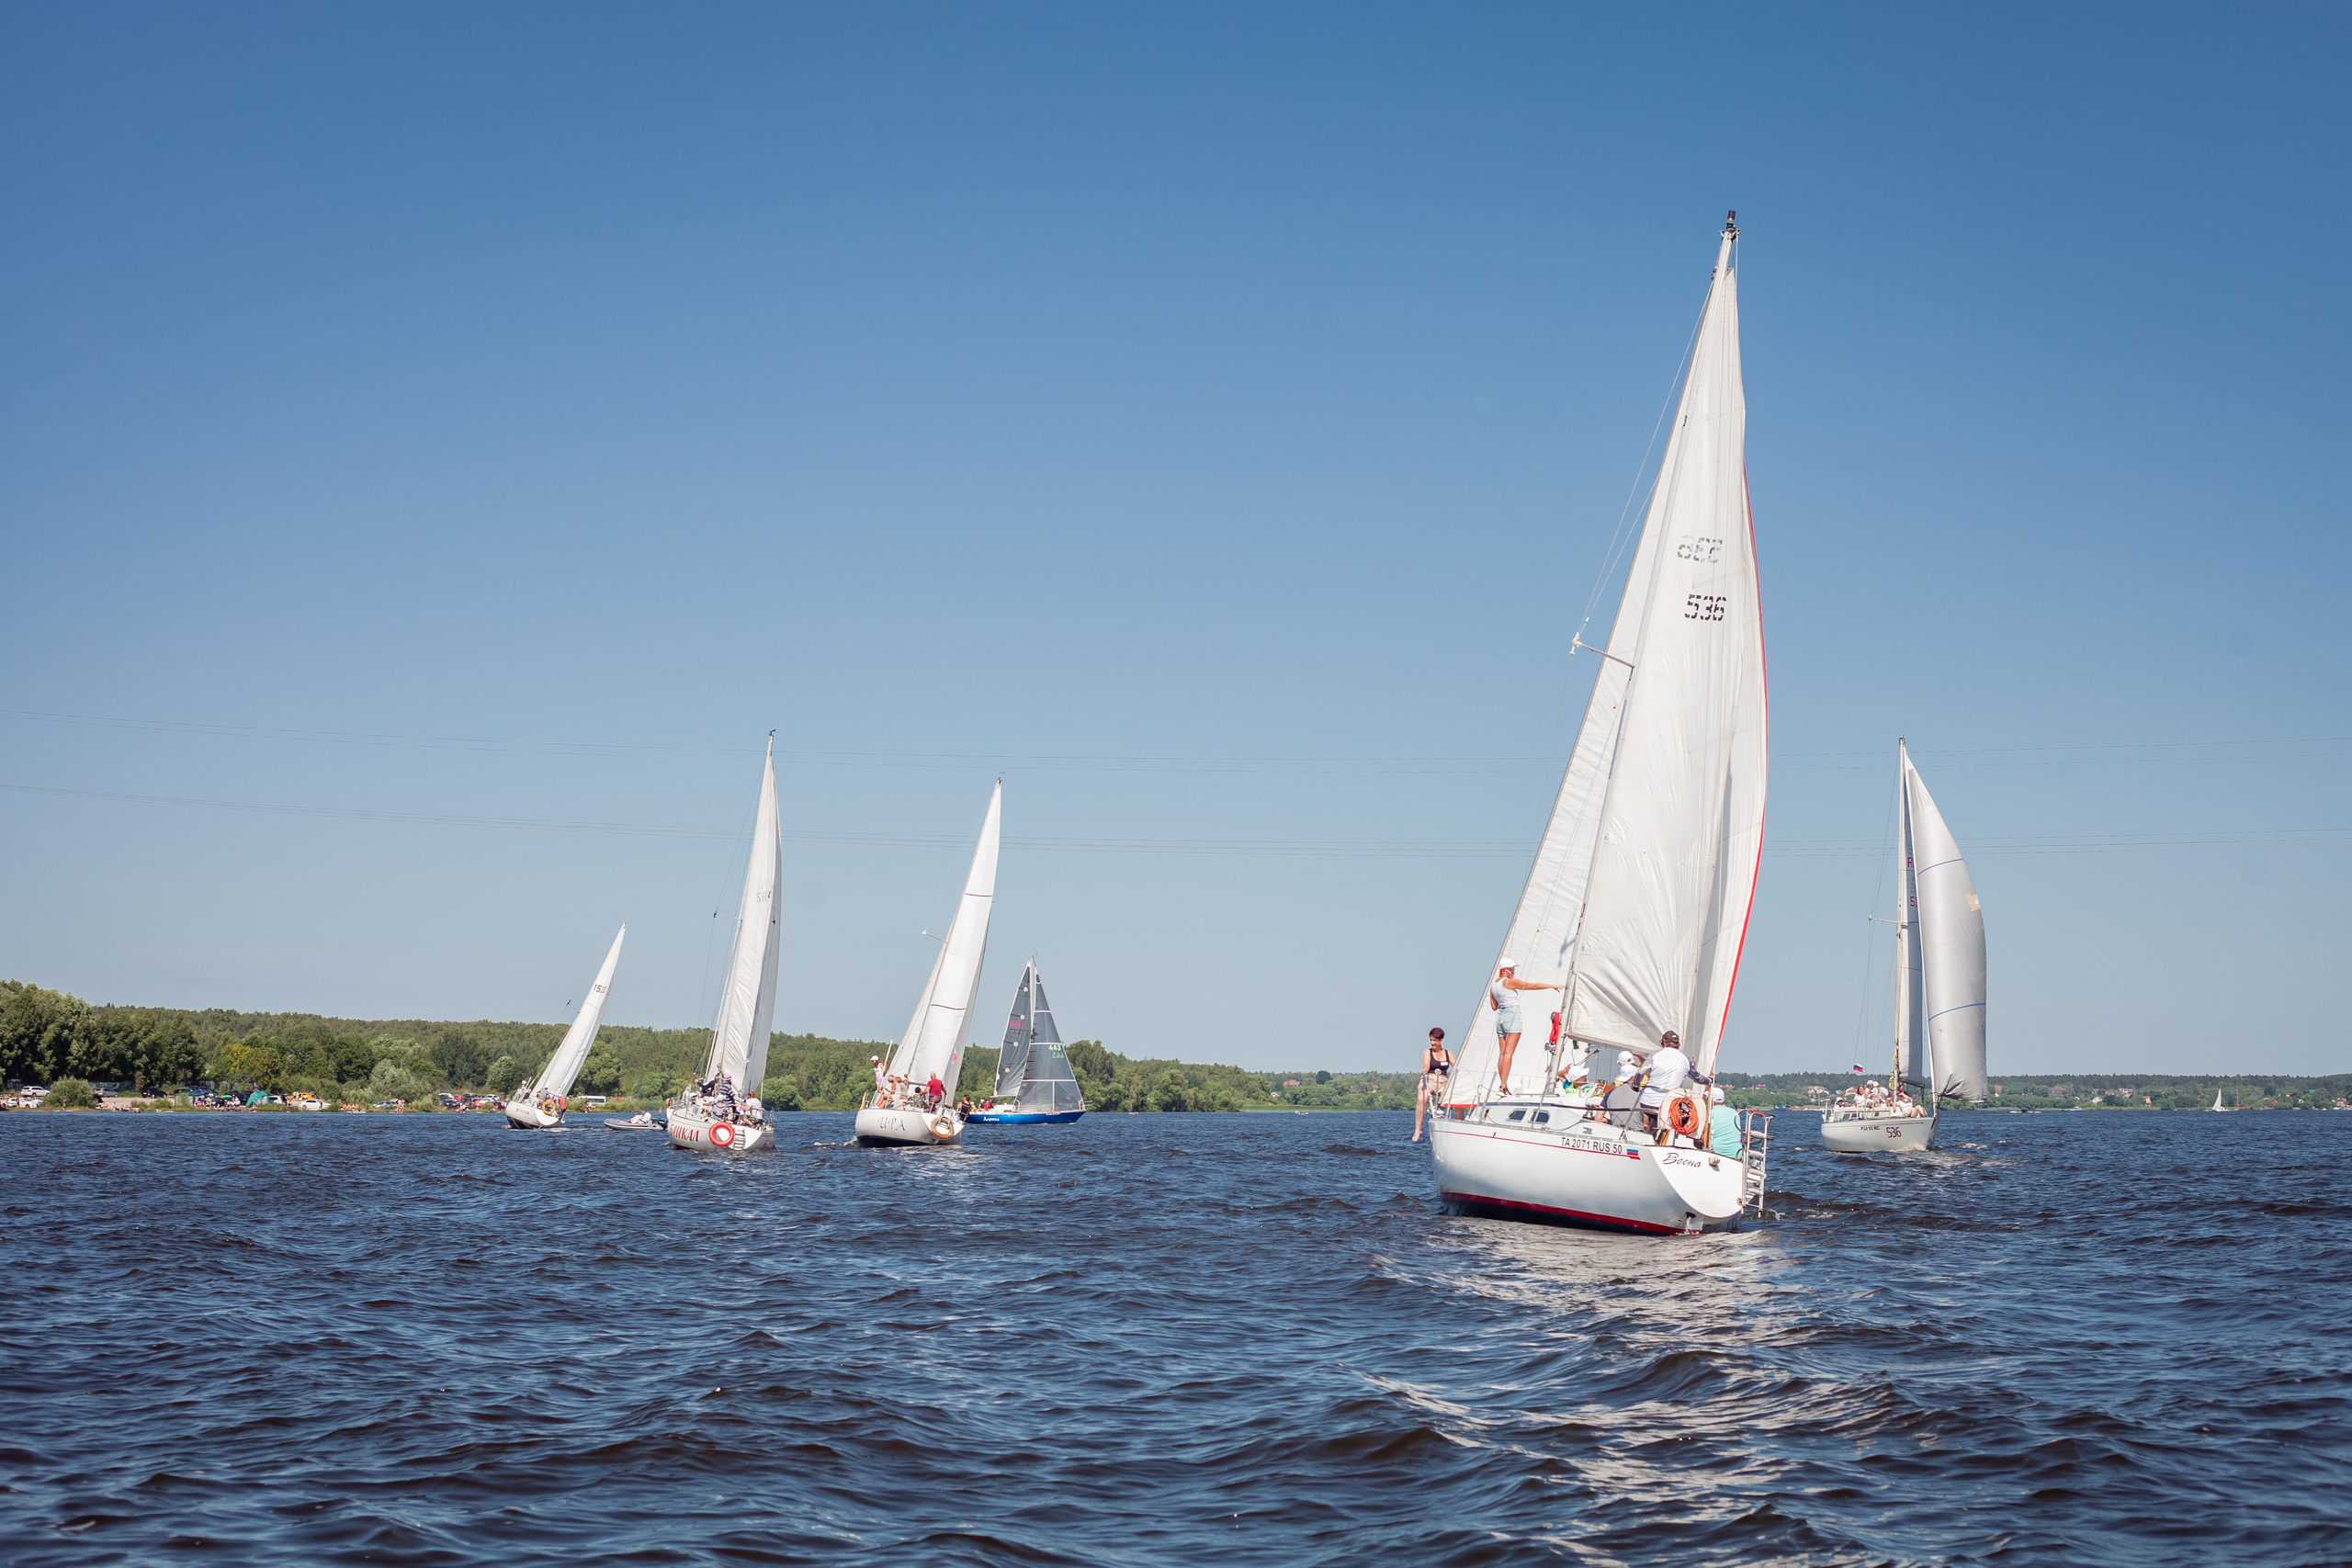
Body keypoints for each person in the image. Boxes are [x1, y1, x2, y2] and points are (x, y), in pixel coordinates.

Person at [1488, 959, 1559, 1096]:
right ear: (1504, 970)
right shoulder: (1508, 982)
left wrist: (1502, 998)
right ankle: (1503, 1086)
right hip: (1512, 1014)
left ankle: (1503, 1086)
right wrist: (1552, 986)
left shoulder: (1493, 984)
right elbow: (1532, 986)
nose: (1513, 972)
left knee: (1502, 1053)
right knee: (1508, 1053)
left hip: (1501, 1017)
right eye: (1511, 969)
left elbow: (1494, 1006)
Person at [1635, 1030, 1709, 1137]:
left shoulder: (1654, 1055)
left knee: (1656, 1117)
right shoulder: (1686, 1059)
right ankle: (1660, 1140)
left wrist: (1636, 1085)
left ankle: (1648, 1137)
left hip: (1647, 1102)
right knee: (1671, 1115)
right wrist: (1709, 1081)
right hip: (1669, 1105)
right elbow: (1698, 1078)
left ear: (1664, 1043)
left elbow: (1641, 1072)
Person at [1412, 1027, 1453, 1142]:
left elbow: (1457, 1066)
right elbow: (1426, 1065)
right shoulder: (1428, 1052)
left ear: (1441, 1040)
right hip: (1429, 1079)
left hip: (1443, 1081)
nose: (1432, 1043)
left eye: (1434, 1040)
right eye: (1431, 1040)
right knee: (1421, 1099)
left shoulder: (1448, 1053)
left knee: (1456, 1098)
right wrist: (1424, 1069)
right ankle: (1418, 1130)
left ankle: (1460, 1125)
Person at [1707, 1086, 1741, 1158]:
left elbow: (1703, 1136)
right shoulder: (1734, 1113)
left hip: (1716, 1153)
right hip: (1736, 1154)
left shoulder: (1709, 1113)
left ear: (1711, 1099)